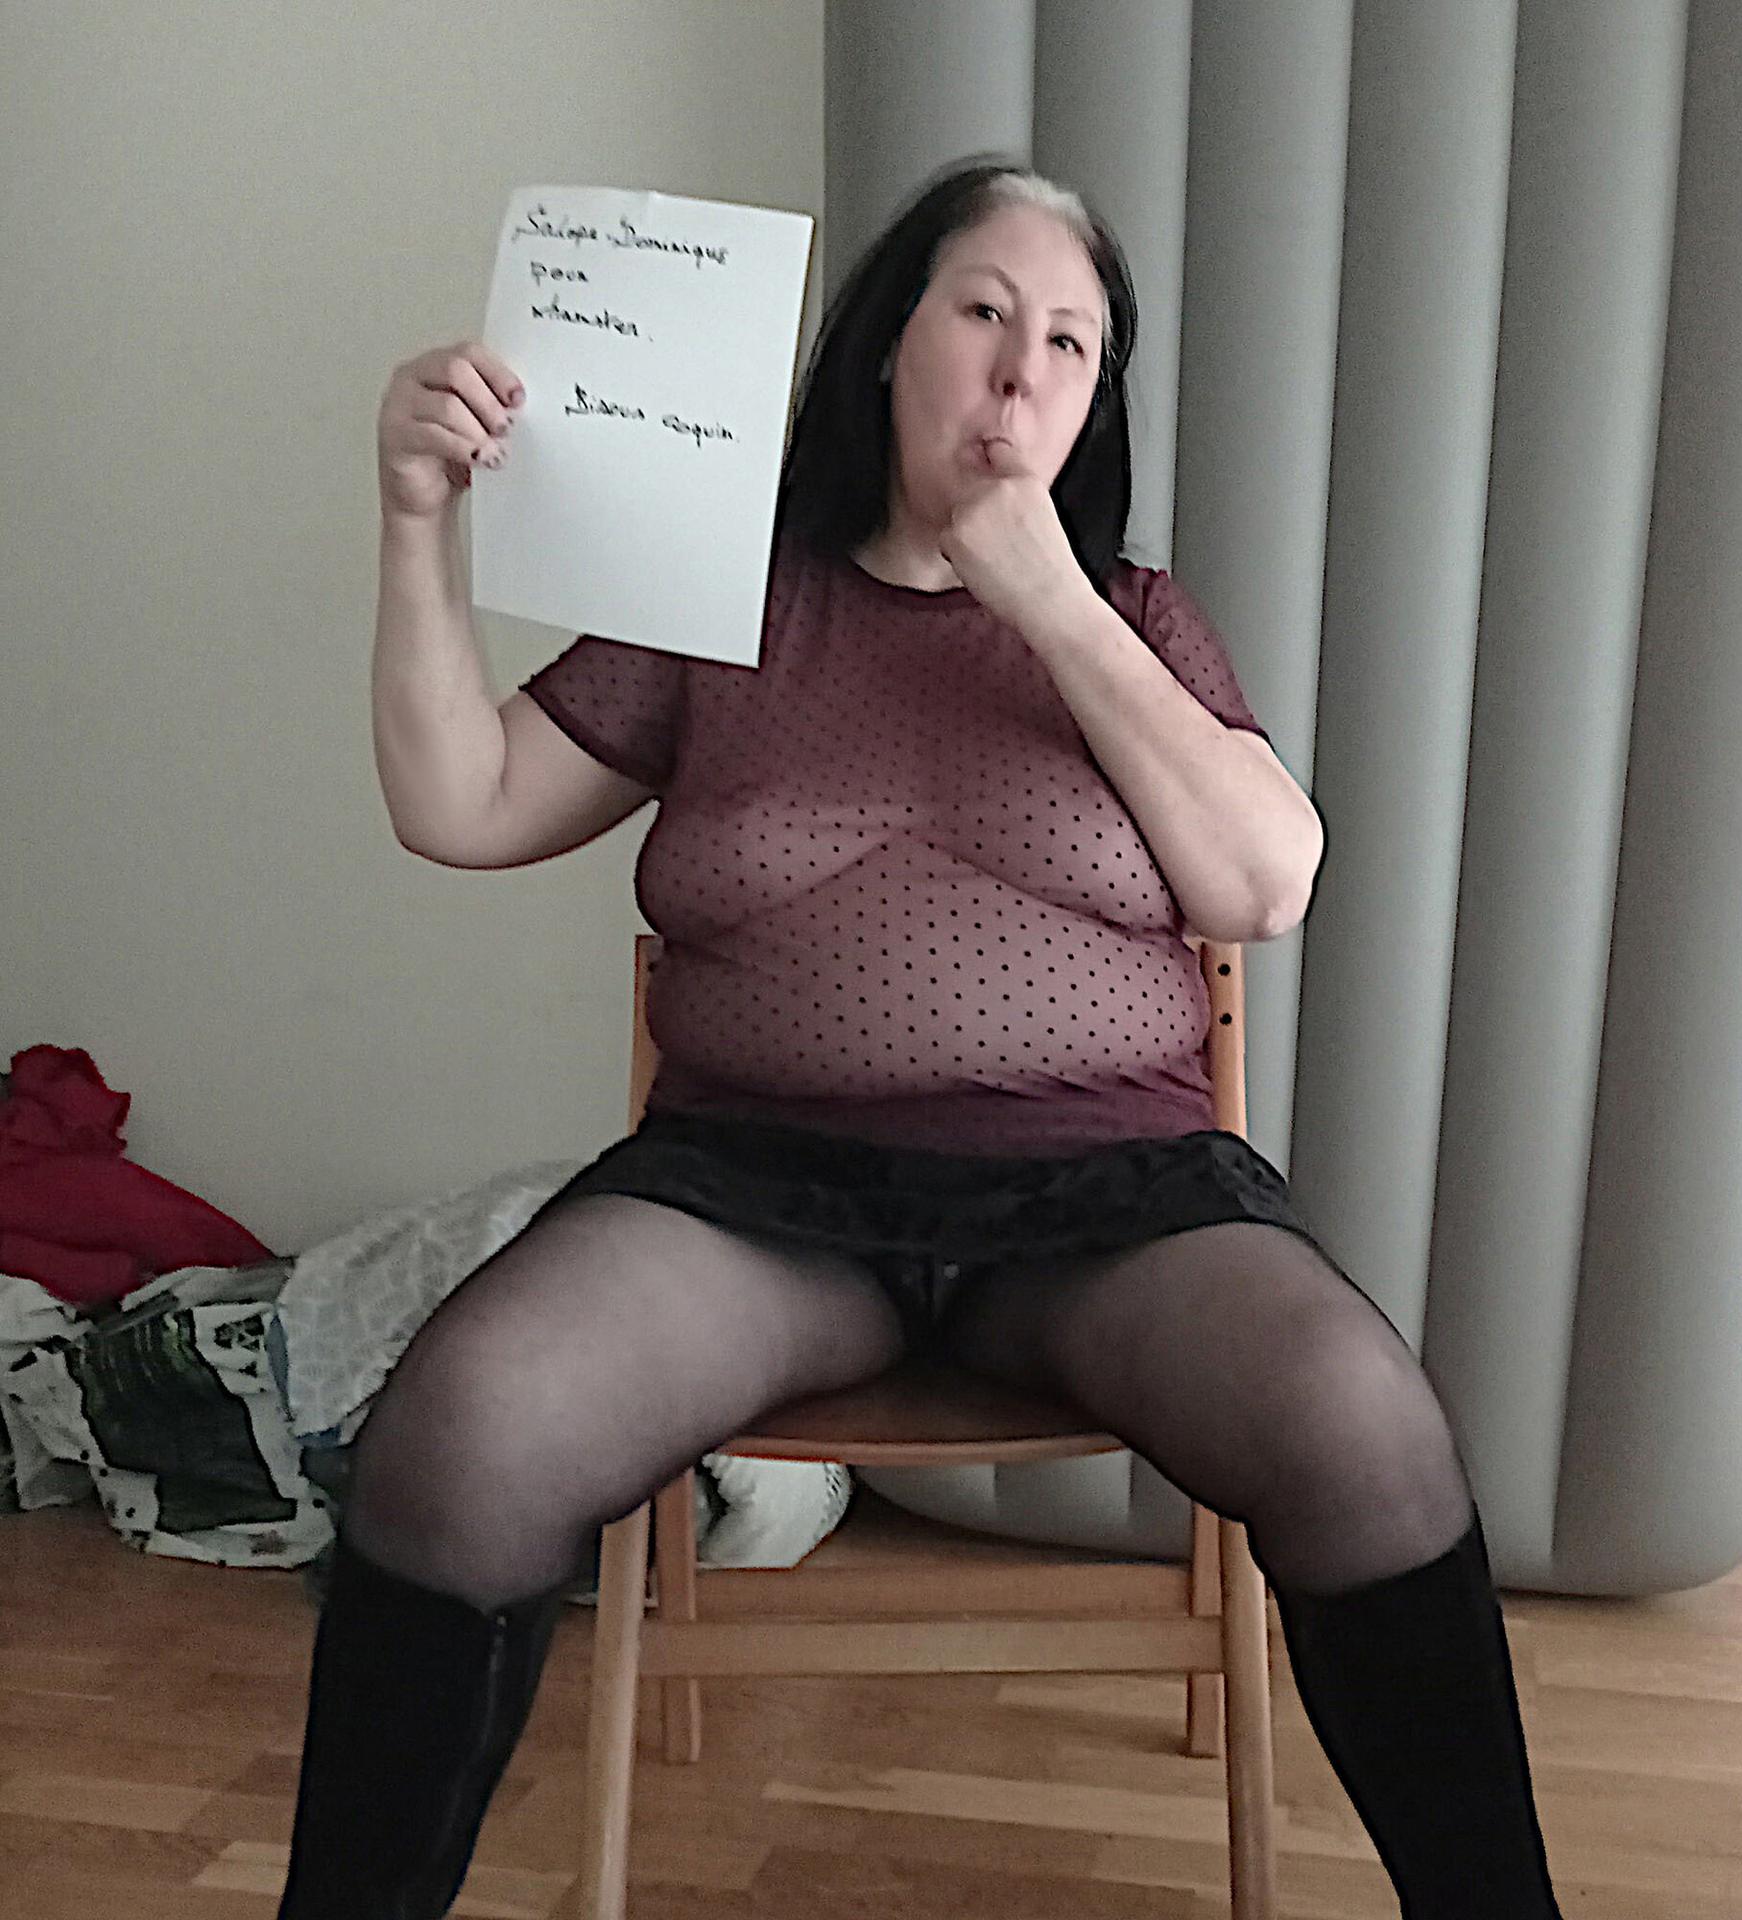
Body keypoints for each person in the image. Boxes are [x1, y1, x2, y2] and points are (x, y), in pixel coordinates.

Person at [277, 157, 1566, 1918]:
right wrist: (415, 524)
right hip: (755, 1201)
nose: (1023, 368)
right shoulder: (725, 601)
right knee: (466, 1428)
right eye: (984, 311)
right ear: (890, 341)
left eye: (1071, 341)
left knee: (1359, 1422)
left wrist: (1046, 599)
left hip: (1108, 1204)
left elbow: (1264, 882)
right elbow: (464, 803)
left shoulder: (1135, 617)